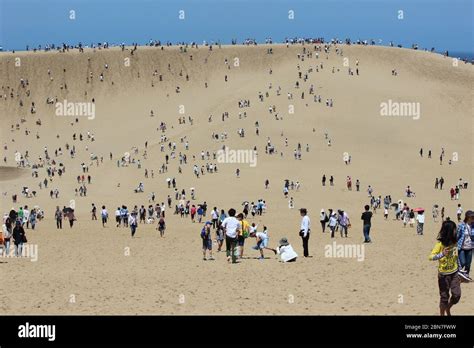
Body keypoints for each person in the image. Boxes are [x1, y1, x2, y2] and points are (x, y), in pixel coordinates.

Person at [429, 220, 461, 315]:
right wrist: (442, 254)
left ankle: (448, 307)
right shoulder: (440, 245)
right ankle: (442, 314)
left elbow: (456, 257)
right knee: (444, 297)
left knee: (457, 295)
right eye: (454, 229)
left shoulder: (455, 243)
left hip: (454, 273)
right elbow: (430, 257)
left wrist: (459, 271)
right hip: (443, 276)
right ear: (449, 231)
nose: (456, 231)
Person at [457, 211, 474, 281]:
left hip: (470, 247)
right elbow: (457, 235)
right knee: (462, 262)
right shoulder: (462, 225)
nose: (473, 218)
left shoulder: (473, 226)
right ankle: (458, 275)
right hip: (462, 247)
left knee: (468, 264)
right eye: (472, 217)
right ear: (467, 217)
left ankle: (466, 276)